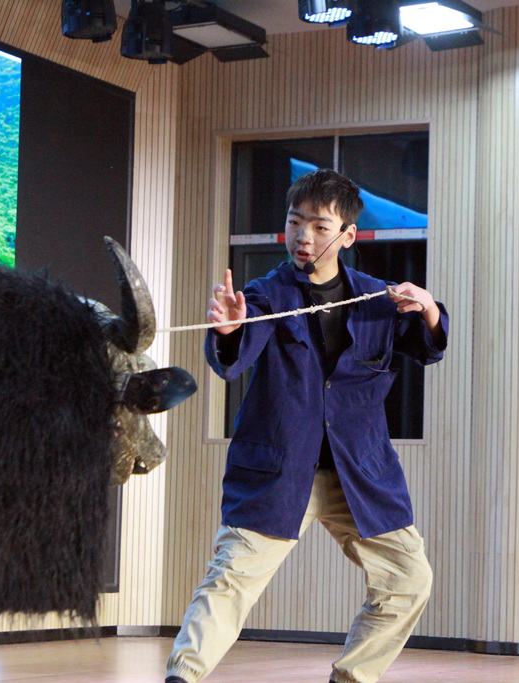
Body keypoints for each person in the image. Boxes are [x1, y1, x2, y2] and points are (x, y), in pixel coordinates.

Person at [165, 169, 448, 683]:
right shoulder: (264, 295)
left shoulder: (377, 301)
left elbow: (429, 345)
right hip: (278, 472)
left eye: (320, 227)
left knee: (409, 579)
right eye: (295, 222)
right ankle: (182, 676)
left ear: (348, 235)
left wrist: (428, 308)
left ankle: (352, 677)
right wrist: (228, 330)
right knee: (230, 580)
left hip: (358, 475)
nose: (303, 237)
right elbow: (233, 358)